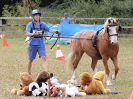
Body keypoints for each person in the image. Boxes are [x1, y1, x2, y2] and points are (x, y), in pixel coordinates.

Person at [25, 9, 60, 75]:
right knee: (31, 59)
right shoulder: (30, 24)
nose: (37, 17)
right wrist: (33, 34)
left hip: (40, 44)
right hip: (32, 44)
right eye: (35, 16)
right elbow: (27, 33)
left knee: (43, 57)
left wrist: (55, 32)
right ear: (33, 17)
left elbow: (49, 29)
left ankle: (46, 74)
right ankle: (29, 72)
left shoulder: (42, 24)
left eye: (38, 15)